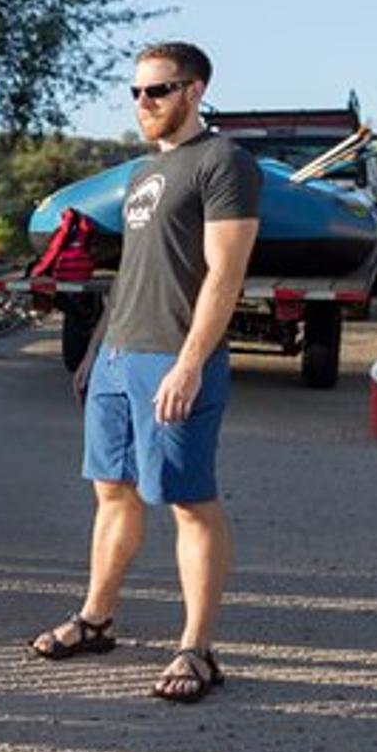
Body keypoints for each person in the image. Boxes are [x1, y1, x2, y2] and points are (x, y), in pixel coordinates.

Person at [28, 41, 260, 703]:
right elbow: (133, 271)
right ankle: (96, 619)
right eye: (136, 92)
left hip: (173, 356)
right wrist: (97, 348)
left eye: (157, 90)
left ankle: (197, 649)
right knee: (112, 493)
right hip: (119, 356)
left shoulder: (224, 162)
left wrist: (190, 363)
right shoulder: (142, 174)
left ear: (194, 90)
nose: (143, 102)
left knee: (189, 501)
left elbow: (225, 273)